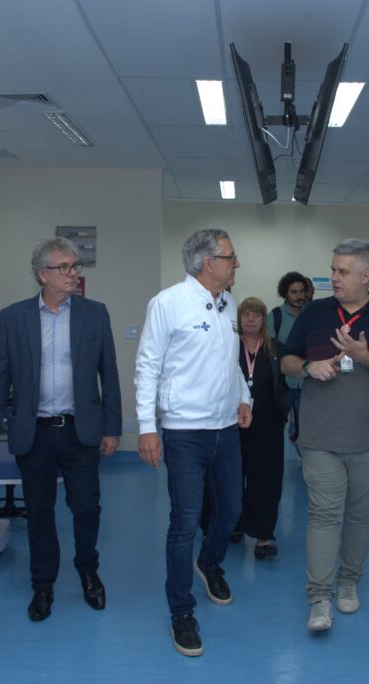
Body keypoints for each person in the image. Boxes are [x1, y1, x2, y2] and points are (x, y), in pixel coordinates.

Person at [0, 237, 121, 622]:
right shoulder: (13, 317)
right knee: (39, 512)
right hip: (34, 432)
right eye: (65, 267)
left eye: (76, 266)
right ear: (43, 274)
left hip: (79, 430)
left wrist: (112, 427)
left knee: (86, 507)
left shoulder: (95, 314)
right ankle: (43, 584)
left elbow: (109, 375)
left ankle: (88, 570)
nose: (74, 274)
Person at [280, 239, 369, 632]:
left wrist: (363, 355)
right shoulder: (314, 312)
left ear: (365, 275)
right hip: (319, 437)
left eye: (342, 272)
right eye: (333, 270)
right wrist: (309, 367)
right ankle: (319, 596)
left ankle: (349, 581)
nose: (334, 278)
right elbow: (287, 360)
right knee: (323, 515)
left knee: (359, 516)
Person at [134, 228, 252, 657]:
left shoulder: (228, 303)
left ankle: (210, 562)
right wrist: (146, 426)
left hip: (226, 429)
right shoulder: (168, 303)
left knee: (232, 510)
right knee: (184, 523)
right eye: (231, 257)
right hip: (184, 432)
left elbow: (231, 362)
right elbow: (148, 366)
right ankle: (181, 612)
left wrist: (244, 397)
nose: (237, 264)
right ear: (208, 263)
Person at [236, 297, 287, 559]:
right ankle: (232, 524)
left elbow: (286, 383)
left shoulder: (276, 349)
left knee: (266, 479)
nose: (250, 318)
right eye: (246, 313)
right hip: (231, 422)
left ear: (263, 319)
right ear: (239, 318)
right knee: (231, 477)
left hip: (267, 424)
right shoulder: (227, 347)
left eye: (256, 314)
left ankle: (263, 537)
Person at [270, 272, 310, 442]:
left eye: (301, 291)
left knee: (307, 430)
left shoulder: (312, 314)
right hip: (283, 384)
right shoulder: (275, 316)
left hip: (309, 383)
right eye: (294, 292)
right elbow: (269, 351)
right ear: (285, 293)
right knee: (275, 427)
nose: (299, 296)